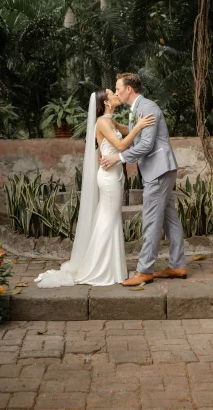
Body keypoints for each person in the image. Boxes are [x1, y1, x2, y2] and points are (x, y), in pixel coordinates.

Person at [34, 88, 156, 288]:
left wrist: (139, 124)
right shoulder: (101, 122)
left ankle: (114, 268)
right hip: (108, 178)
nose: (116, 94)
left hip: (116, 174)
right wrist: (139, 126)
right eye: (112, 93)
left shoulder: (110, 120)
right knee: (108, 220)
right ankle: (98, 268)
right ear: (106, 102)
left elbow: (128, 132)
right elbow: (122, 144)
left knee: (112, 218)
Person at [101, 73, 186, 287]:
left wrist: (118, 157)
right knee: (170, 218)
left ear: (129, 89)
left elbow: (147, 145)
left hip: (158, 171)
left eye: (118, 88)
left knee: (151, 220)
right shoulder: (137, 109)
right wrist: (109, 122)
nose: (117, 91)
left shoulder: (147, 107)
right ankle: (177, 265)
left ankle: (144, 270)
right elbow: (133, 134)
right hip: (161, 169)